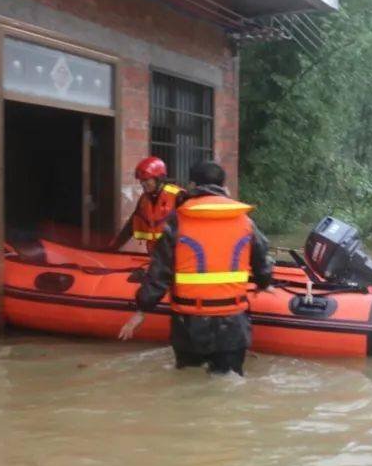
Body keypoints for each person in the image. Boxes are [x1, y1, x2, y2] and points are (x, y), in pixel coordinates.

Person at [117, 161, 273, 375]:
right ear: (223, 186)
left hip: (189, 324)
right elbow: (263, 260)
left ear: (191, 185)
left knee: (188, 380)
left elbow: (159, 272)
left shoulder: (178, 221)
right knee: (228, 381)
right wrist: (264, 283)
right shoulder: (245, 222)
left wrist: (142, 310)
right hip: (232, 322)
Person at [109, 156, 182, 253]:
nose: (143, 184)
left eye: (147, 180)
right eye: (141, 181)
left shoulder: (177, 196)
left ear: (159, 179)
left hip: (176, 255)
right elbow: (131, 225)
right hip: (156, 256)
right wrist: (113, 247)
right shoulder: (144, 199)